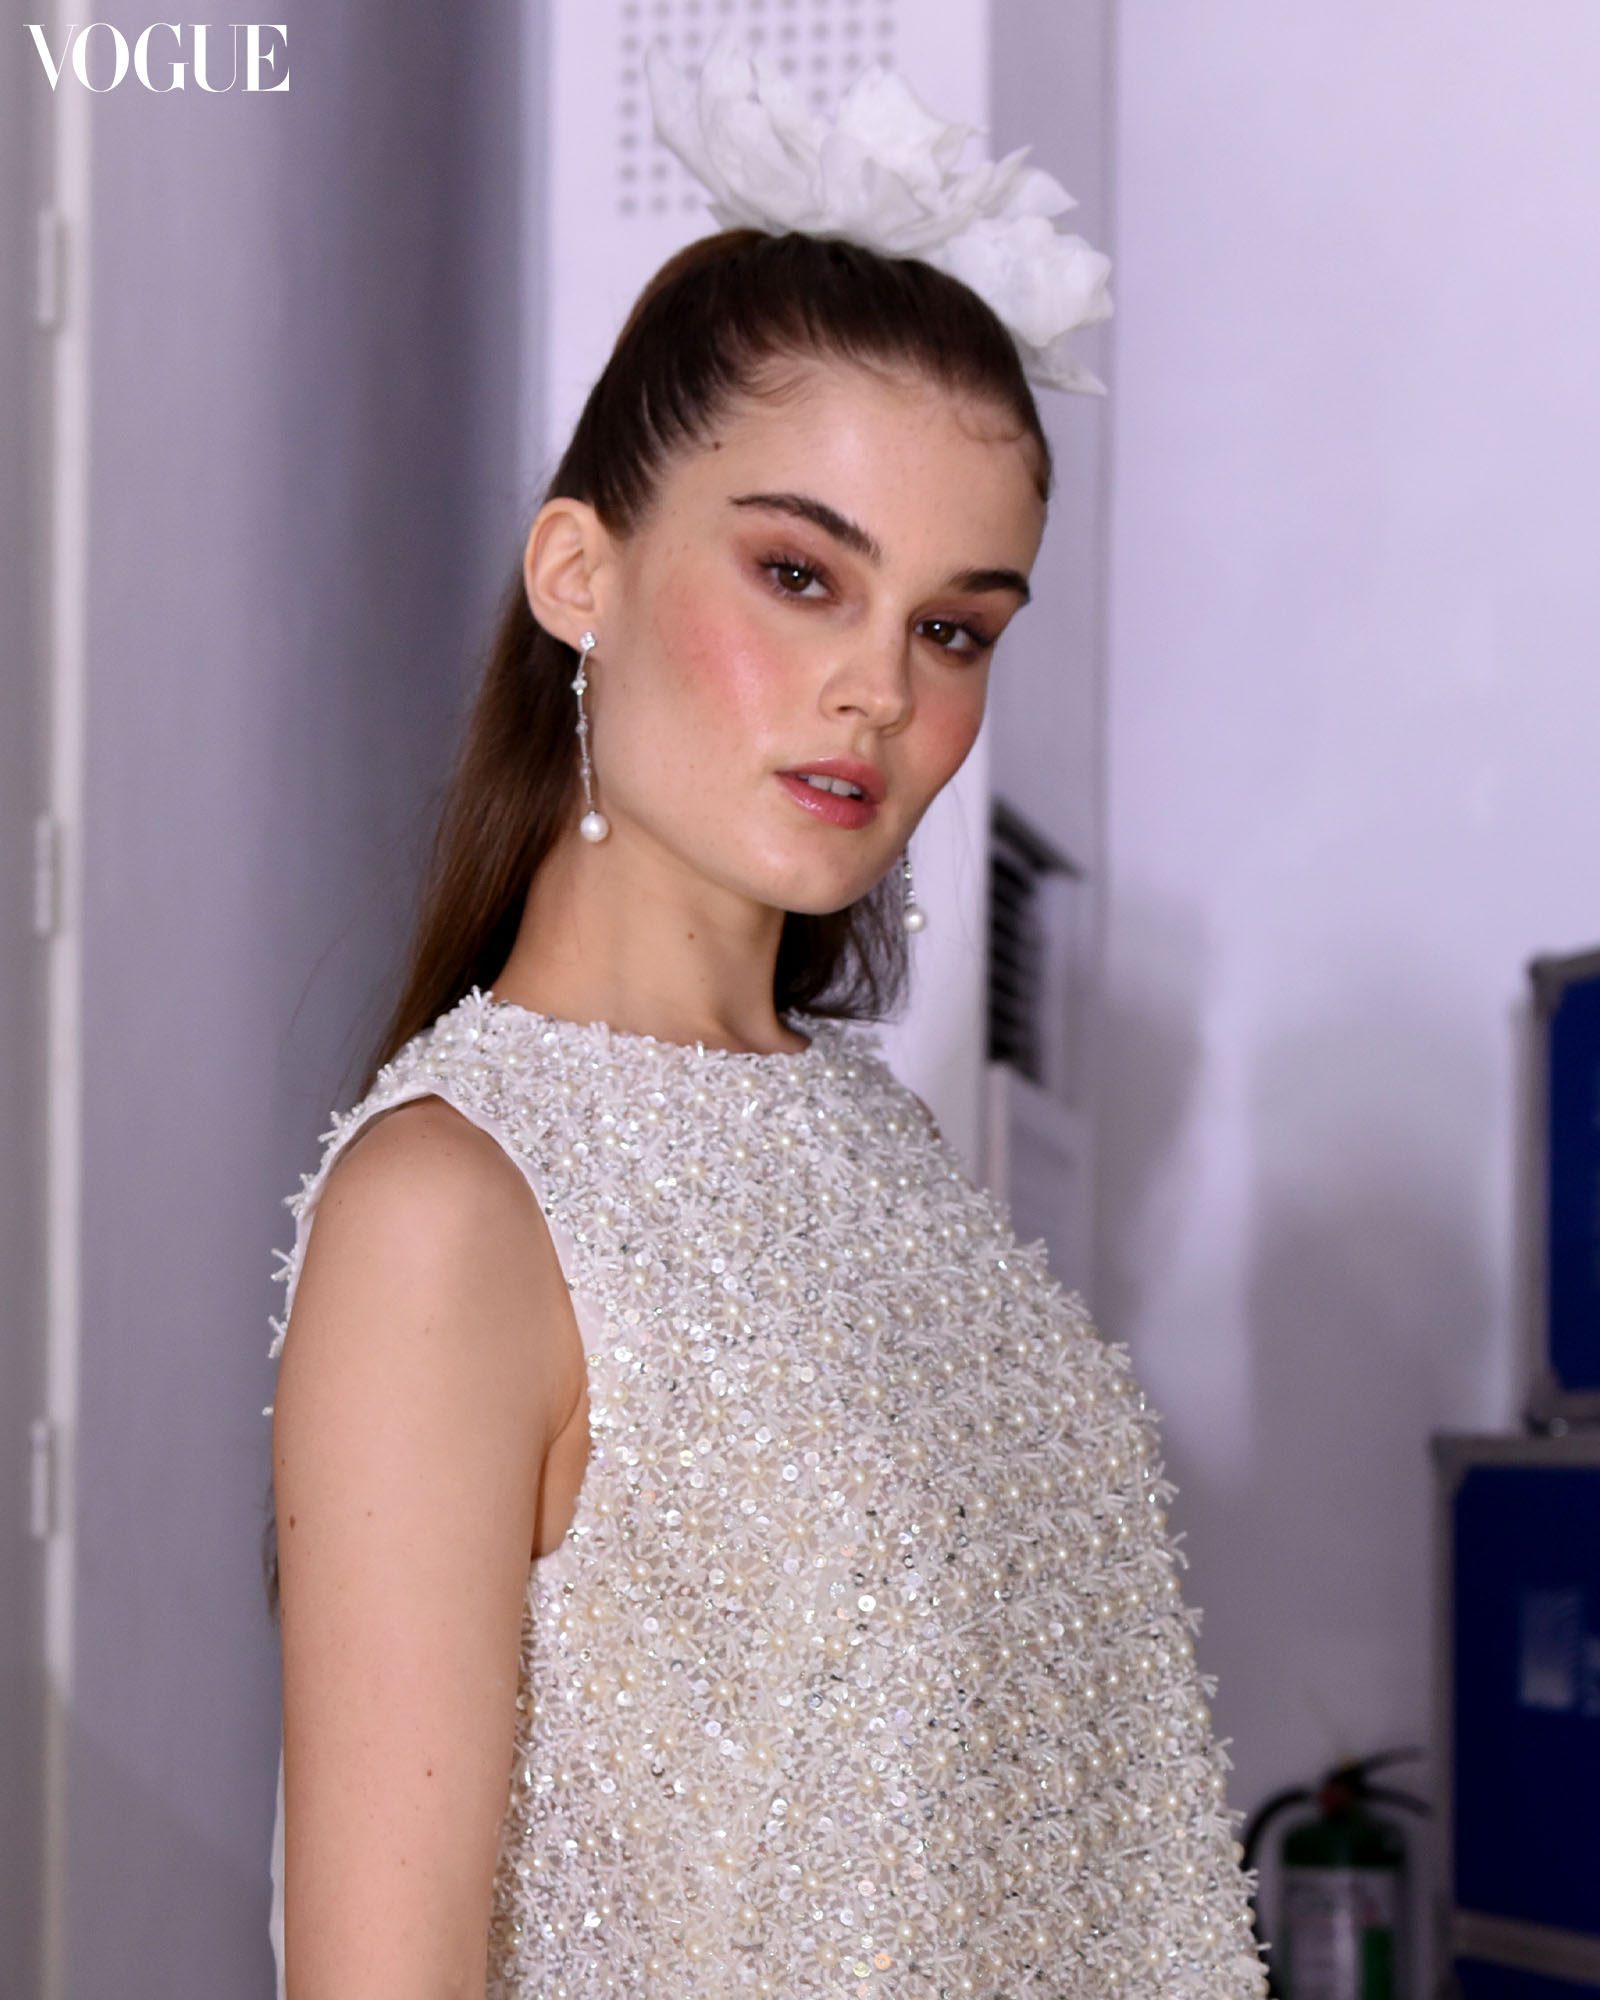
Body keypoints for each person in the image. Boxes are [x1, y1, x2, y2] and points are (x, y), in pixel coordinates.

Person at [267, 40, 1266, 2000]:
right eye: (801, 574)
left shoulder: (878, 1143)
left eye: (952, 627)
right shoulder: (448, 1210)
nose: (879, 691)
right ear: (580, 573)